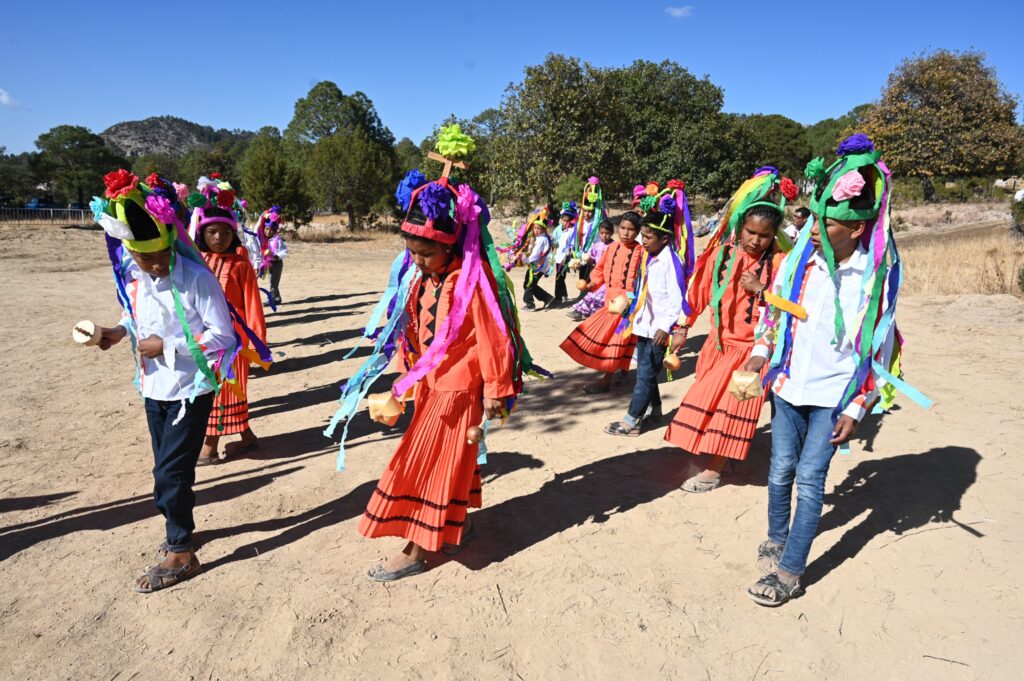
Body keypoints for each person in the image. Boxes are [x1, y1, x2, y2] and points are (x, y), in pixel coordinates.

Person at [325, 129, 545, 582]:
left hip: (460, 392)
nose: (417, 260)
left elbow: (493, 340)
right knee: (440, 462)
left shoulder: (472, 282)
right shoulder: (422, 279)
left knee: (424, 461)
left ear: (451, 244)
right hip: (430, 387)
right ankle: (438, 529)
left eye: (425, 253)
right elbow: (415, 334)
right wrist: (405, 378)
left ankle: (416, 546)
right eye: (412, 251)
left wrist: (496, 391)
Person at [744, 134, 919, 606]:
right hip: (786, 385)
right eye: (814, 217)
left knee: (810, 478)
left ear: (857, 228)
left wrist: (858, 407)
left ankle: (790, 570)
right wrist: (762, 353)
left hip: (832, 398)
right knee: (780, 469)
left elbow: (877, 351)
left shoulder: (873, 279)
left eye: (828, 219)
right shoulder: (799, 264)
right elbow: (774, 315)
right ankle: (776, 536)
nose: (814, 226)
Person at [86, 170, 238, 592]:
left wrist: (167, 346)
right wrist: (118, 333)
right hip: (153, 388)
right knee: (169, 470)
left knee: (169, 472)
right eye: (143, 258)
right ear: (130, 253)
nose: (154, 266)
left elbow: (223, 336)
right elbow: (136, 317)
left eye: (159, 256)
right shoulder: (137, 281)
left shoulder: (198, 279)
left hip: (191, 388)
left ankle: (182, 551)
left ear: (172, 242)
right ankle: (180, 528)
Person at [664, 169, 797, 492]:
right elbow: (696, 295)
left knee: (735, 406)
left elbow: (793, 309)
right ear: (740, 228)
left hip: (755, 354)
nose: (755, 240)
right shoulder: (719, 257)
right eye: (750, 232)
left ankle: (714, 469)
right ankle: (721, 455)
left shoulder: (782, 264)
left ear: (774, 235)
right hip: (717, 348)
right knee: (707, 402)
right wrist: (682, 328)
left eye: (763, 236)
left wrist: (763, 289)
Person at [604, 191, 691, 436]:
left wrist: (667, 328)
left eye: (648, 237)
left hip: (658, 330)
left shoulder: (670, 263)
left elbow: (677, 300)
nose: (643, 240)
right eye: (643, 235)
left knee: (643, 374)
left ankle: (631, 421)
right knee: (647, 371)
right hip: (644, 324)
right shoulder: (650, 257)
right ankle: (656, 410)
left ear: (664, 239)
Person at [190, 194, 268, 465]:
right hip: (204, 339)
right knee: (213, 389)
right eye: (212, 232)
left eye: (226, 232)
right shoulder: (196, 263)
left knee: (222, 389)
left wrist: (256, 344)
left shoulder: (241, 266)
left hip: (233, 343)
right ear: (202, 233)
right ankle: (246, 438)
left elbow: (252, 304)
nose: (219, 237)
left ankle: (210, 446)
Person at [559, 211, 644, 393]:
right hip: (610, 303)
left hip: (628, 306)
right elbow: (599, 271)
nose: (625, 233)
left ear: (638, 232)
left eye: (630, 230)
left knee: (617, 339)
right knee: (612, 339)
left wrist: (634, 301)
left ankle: (607, 379)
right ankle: (620, 371)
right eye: (622, 228)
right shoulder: (611, 249)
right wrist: (591, 284)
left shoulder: (642, 252)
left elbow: (645, 279)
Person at [566, 219, 614, 322]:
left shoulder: (614, 246)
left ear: (612, 233)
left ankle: (587, 314)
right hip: (597, 276)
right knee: (591, 294)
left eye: (607, 233)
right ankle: (580, 312)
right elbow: (591, 260)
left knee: (598, 297)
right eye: (602, 233)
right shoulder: (596, 245)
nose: (604, 236)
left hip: (608, 278)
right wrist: (581, 262)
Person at [522, 209, 554, 310]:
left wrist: (523, 261)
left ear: (544, 229)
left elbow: (535, 255)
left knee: (529, 284)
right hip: (534, 265)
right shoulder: (536, 237)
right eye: (535, 228)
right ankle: (547, 298)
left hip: (538, 266)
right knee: (529, 284)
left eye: (539, 229)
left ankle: (530, 304)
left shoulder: (542, 239)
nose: (536, 230)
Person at [550, 202, 578, 306]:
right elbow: (554, 239)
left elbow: (573, 244)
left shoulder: (572, 231)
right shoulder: (558, 229)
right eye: (564, 220)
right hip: (558, 257)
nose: (565, 222)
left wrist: (570, 253)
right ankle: (563, 295)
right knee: (559, 276)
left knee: (560, 276)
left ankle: (558, 297)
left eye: (568, 220)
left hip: (566, 257)